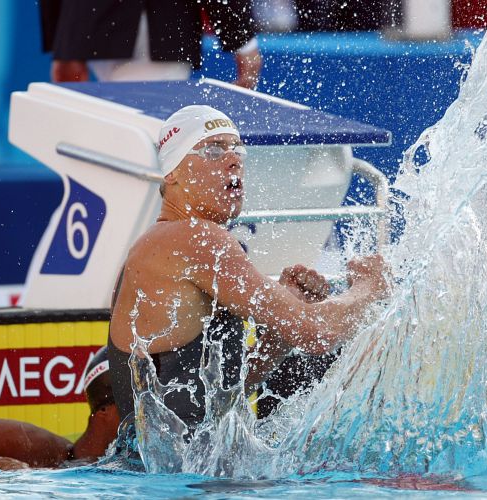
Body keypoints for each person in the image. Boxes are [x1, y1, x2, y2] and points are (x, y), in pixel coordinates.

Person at [108, 105, 390, 438]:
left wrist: (280, 332)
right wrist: (368, 287)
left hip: (169, 465)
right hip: (180, 469)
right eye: (213, 150)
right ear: (172, 172)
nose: (233, 160)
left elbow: (225, 390)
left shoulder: (160, 248)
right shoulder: (194, 238)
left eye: (237, 149)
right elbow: (317, 333)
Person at [39, 0, 262, 88]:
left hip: (87, 23)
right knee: (147, 134)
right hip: (158, 24)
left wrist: (63, 41)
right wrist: (243, 42)